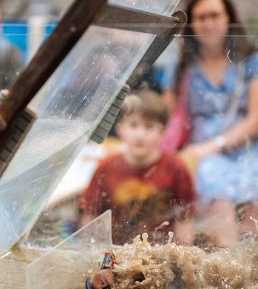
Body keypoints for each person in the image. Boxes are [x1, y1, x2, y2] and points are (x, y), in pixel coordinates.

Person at [162, 0, 258, 247]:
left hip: (250, 148)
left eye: (215, 15)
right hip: (203, 153)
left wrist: (215, 144)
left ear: (229, 19)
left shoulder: (253, 60)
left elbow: (257, 119)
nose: (208, 23)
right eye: (201, 17)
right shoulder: (182, 66)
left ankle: (253, 270)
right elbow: (169, 117)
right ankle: (228, 270)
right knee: (219, 201)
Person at [78, 89, 196, 246]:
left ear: (162, 131)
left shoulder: (176, 168)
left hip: (160, 254)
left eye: (149, 127)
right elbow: (89, 218)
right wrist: (92, 253)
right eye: (133, 125)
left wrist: (182, 258)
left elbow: (185, 220)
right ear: (120, 128)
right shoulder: (106, 167)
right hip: (114, 253)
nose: (140, 134)